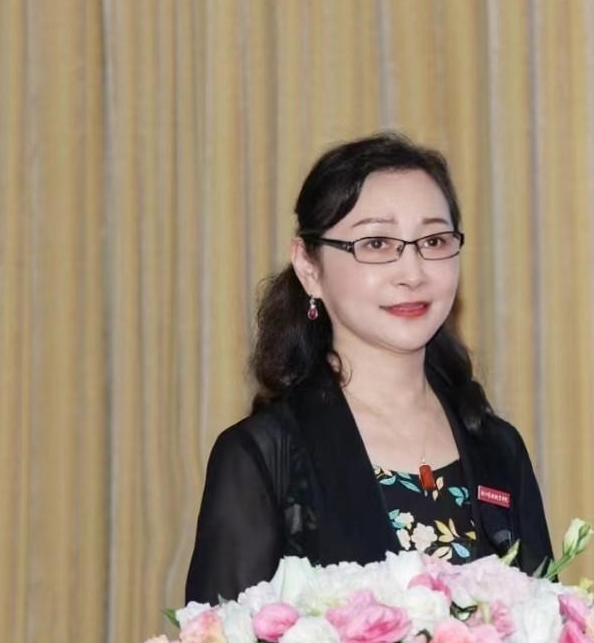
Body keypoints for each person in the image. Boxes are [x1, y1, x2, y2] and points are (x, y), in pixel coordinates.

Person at [184, 132, 553, 604]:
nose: (413, 273)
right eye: (377, 243)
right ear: (309, 266)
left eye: (434, 240)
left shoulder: (497, 448)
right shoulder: (265, 456)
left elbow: (549, 632)